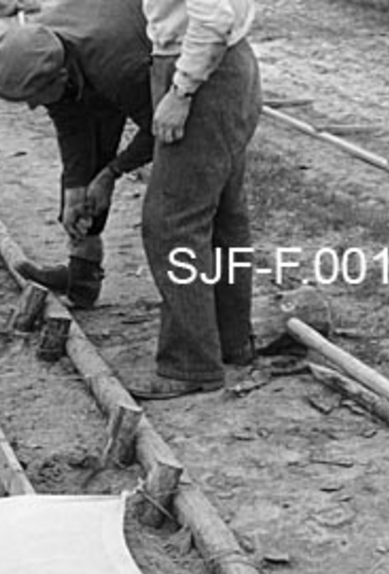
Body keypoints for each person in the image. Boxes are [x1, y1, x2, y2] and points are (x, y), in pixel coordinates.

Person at [128, 0, 262, 399]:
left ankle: (190, 364)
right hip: (219, 65)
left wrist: (181, 90)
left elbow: (212, 17)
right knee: (223, 216)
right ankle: (229, 340)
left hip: (203, 75)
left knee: (172, 223)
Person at [0, 0, 154, 309]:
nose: (33, 106)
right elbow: (71, 125)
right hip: (95, 60)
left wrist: (113, 172)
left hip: (172, 59)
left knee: (173, 203)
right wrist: (75, 190)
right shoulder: (43, 47)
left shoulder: (119, 69)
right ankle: (82, 276)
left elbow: (161, 127)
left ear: (61, 76)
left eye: (34, 98)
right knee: (83, 175)